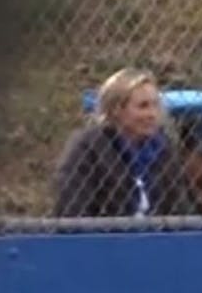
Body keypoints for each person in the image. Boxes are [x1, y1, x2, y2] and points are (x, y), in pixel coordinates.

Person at [52, 67, 188, 217]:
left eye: (155, 105)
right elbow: (73, 208)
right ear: (117, 109)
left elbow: (178, 207)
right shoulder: (88, 147)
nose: (152, 114)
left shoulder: (162, 149)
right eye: (143, 106)